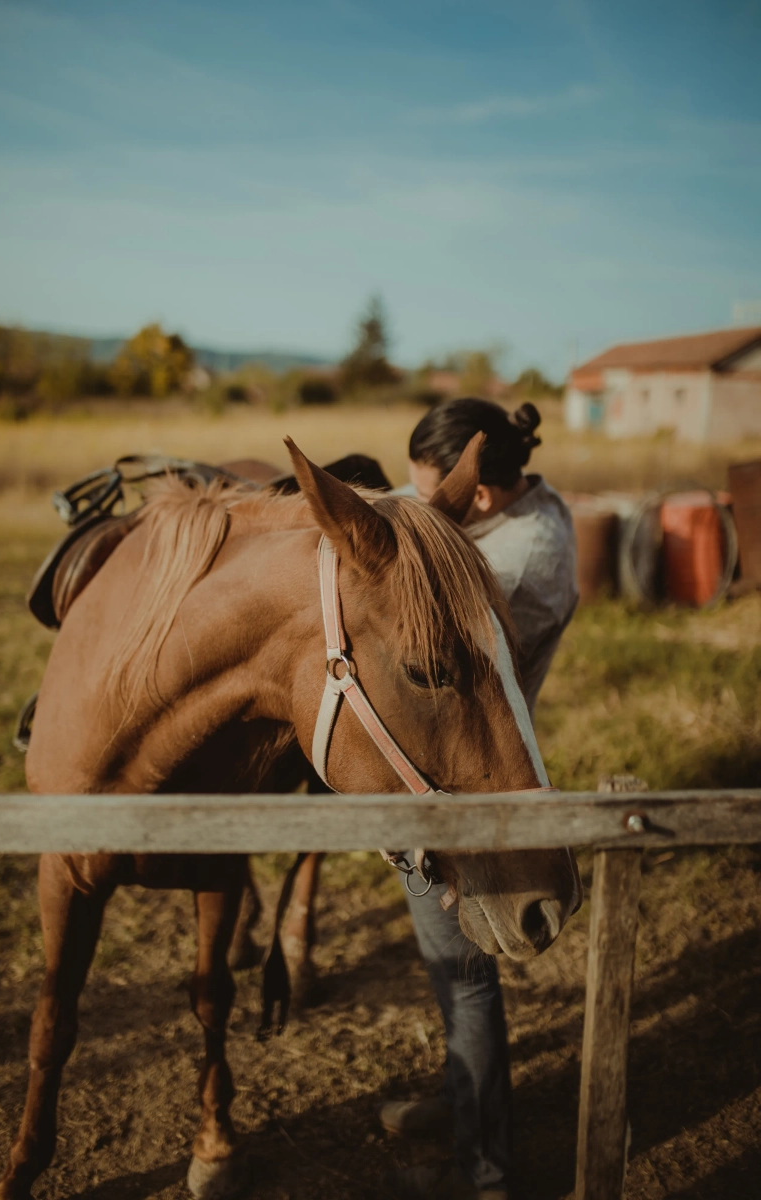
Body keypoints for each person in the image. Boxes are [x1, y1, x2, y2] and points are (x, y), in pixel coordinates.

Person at [380, 397, 578, 1200]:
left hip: (466, 783)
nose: (414, 497)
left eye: (432, 492)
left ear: (479, 495)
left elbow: (406, 618)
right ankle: (459, 1102)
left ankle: (485, 1170)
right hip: (467, 766)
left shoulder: (520, 558)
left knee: (465, 977)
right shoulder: (533, 500)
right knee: (450, 976)